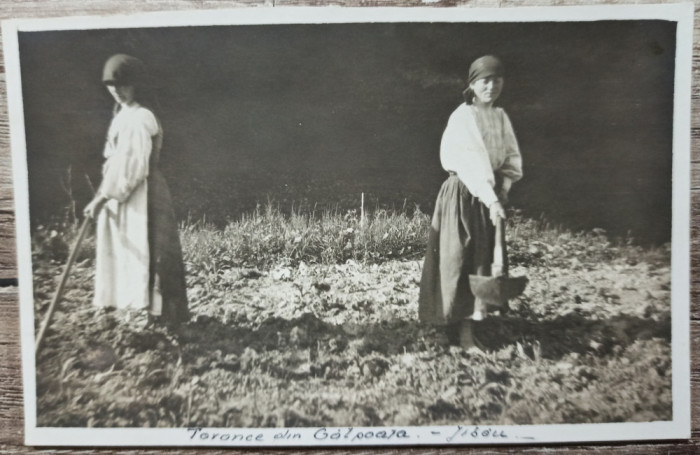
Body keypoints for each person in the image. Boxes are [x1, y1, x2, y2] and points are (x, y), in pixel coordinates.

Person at [418, 55, 523, 350]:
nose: (491, 86)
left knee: (479, 261)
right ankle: (439, 327)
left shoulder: (500, 117)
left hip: (487, 196)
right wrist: (492, 199)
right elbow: (471, 162)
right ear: (473, 85)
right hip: (463, 195)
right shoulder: (464, 116)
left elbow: (511, 157)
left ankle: (467, 333)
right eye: (484, 81)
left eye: (497, 80)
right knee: (455, 260)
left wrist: (503, 186)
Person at [83, 54, 189, 326]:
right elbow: (117, 161)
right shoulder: (122, 114)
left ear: (137, 84)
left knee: (154, 251)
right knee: (130, 251)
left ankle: (164, 316)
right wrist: (105, 194)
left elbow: (132, 165)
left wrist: (103, 197)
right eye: (111, 85)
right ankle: (135, 310)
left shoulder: (141, 117)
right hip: (125, 192)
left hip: (143, 192)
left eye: (124, 84)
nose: (117, 91)